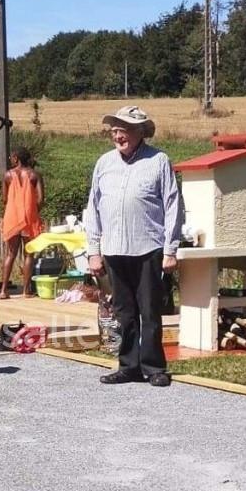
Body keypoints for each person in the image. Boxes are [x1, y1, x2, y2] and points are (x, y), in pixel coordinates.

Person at [83, 106, 183, 387]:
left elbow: (173, 204)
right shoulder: (104, 163)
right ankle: (128, 366)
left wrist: (170, 249)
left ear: (140, 132)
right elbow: (94, 207)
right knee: (123, 312)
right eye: (114, 129)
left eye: (123, 129)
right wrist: (93, 250)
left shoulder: (158, 160)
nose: (117, 135)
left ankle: (154, 367)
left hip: (148, 247)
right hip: (114, 249)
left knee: (149, 311)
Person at [0, 147, 45, 299]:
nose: (11, 160)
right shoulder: (35, 174)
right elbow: (40, 199)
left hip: (12, 217)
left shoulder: (7, 175)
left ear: (16, 158)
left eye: (12, 157)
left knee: (10, 254)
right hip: (29, 218)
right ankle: (26, 290)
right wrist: (31, 209)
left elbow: (4, 200)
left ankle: (4, 290)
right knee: (29, 254)